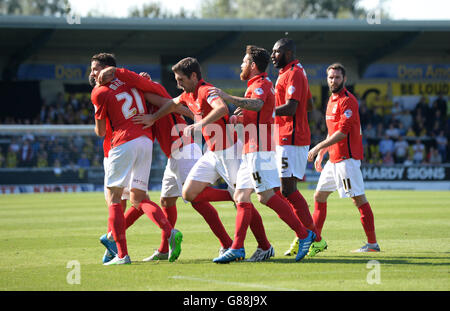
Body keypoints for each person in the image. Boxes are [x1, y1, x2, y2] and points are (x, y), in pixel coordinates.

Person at [132, 57, 273, 261]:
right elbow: (172, 104)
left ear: (194, 76)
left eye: (181, 79)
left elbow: (222, 109)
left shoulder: (206, 90)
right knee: (189, 194)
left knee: (242, 201)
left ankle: (264, 246)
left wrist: (199, 125)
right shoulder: (187, 94)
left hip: (230, 152)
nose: (178, 83)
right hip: (212, 153)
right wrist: (153, 118)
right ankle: (233, 212)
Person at [208, 45, 315, 263]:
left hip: (260, 150)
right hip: (251, 150)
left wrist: (227, 96)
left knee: (266, 196)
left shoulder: (262, 84)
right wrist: (238, 118)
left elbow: (257, 105)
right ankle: (238, 248)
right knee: (241, 196)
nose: (241, 65)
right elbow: (256, 115)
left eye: (244, 62)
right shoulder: (255, 85)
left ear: (253, 66)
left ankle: (305, 235)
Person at [90, 53, 183, 265]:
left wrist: (97, 115)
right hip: (145, 141)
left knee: (114, 200)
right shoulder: (134, 82)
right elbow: (162, 100)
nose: (93, 73)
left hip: (122, 143)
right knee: (139, 198)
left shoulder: (99, 91)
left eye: (95, 69)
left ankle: (121, 254)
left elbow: (101, 131)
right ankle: (170, 232)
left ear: (107, 69)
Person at [307, 63, 380, 253]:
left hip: (347, 160)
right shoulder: (331, 100)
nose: (333, 80)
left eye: (337, 77)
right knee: (319, 195)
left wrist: (317, 147)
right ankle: (316, 240)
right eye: (331, 77)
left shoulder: (348, 101)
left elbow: (342, 133)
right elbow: (332, 133)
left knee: (359, 200)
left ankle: (372, 244)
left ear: (344, 79)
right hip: (334, 159)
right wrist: (324, 151)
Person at [270, 38, 325, 257]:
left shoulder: (293, 72)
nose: (273, 55)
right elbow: (309, 104)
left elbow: (293, 107)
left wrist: (268, 112)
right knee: (283, 190)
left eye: (277, 51)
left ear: (289, 52)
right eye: (272, 52)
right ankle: (305, 234)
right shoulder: (292, 72)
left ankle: (312, 236)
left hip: (290, 138)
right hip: (288, 136)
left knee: (286, 190)